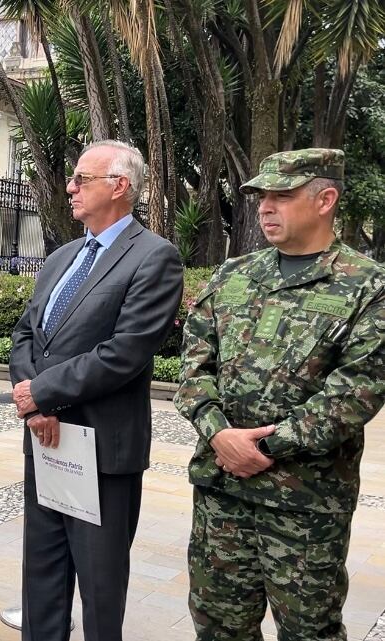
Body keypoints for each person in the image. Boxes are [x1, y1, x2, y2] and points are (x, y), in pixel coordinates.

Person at [176, 149, 385, 641]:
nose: (265, 207)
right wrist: (219, 433)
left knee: (309, 631)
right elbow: (193, 369)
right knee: (218, 626)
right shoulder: (232, 277)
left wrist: (263, 448)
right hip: (221, 495)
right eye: (262, 196)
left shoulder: (367, 287)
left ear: (325, 199)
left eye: (282, 196)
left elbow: (353, 394)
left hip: (305, 505)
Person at [9, 140, 183, 641]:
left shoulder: (154, 258)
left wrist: (42, 393)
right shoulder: (63, 255)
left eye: (82, 178)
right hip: (46, 440)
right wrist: (33, 403)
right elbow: (26, 334)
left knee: (101, 588)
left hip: (102, 449)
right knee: (41, 577)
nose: (70, 187)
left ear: (120, 186)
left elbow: (125, 353)